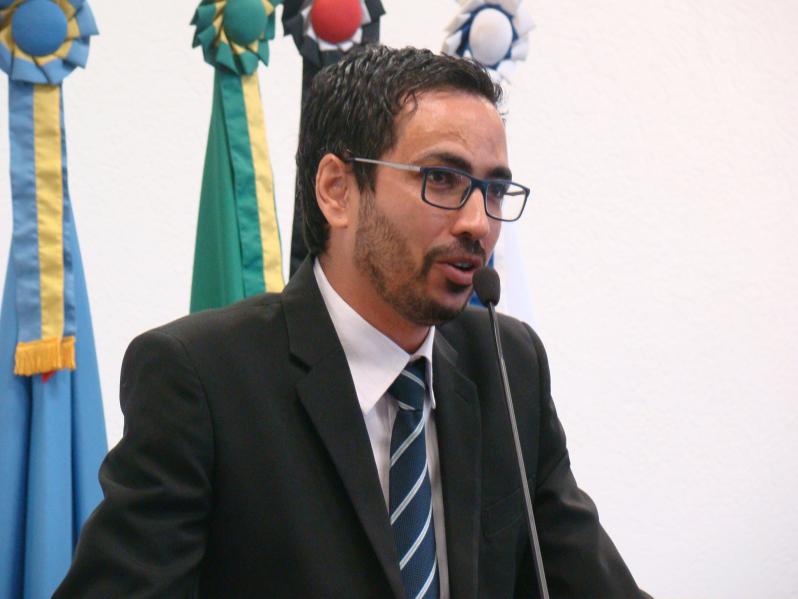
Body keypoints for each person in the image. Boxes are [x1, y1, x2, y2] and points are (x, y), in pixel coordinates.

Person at [55, 45, 650, 598]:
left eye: (494, 190)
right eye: (442, 179)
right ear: (337, 190)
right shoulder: (202, 380)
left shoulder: (507, 365)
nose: (478, 222)